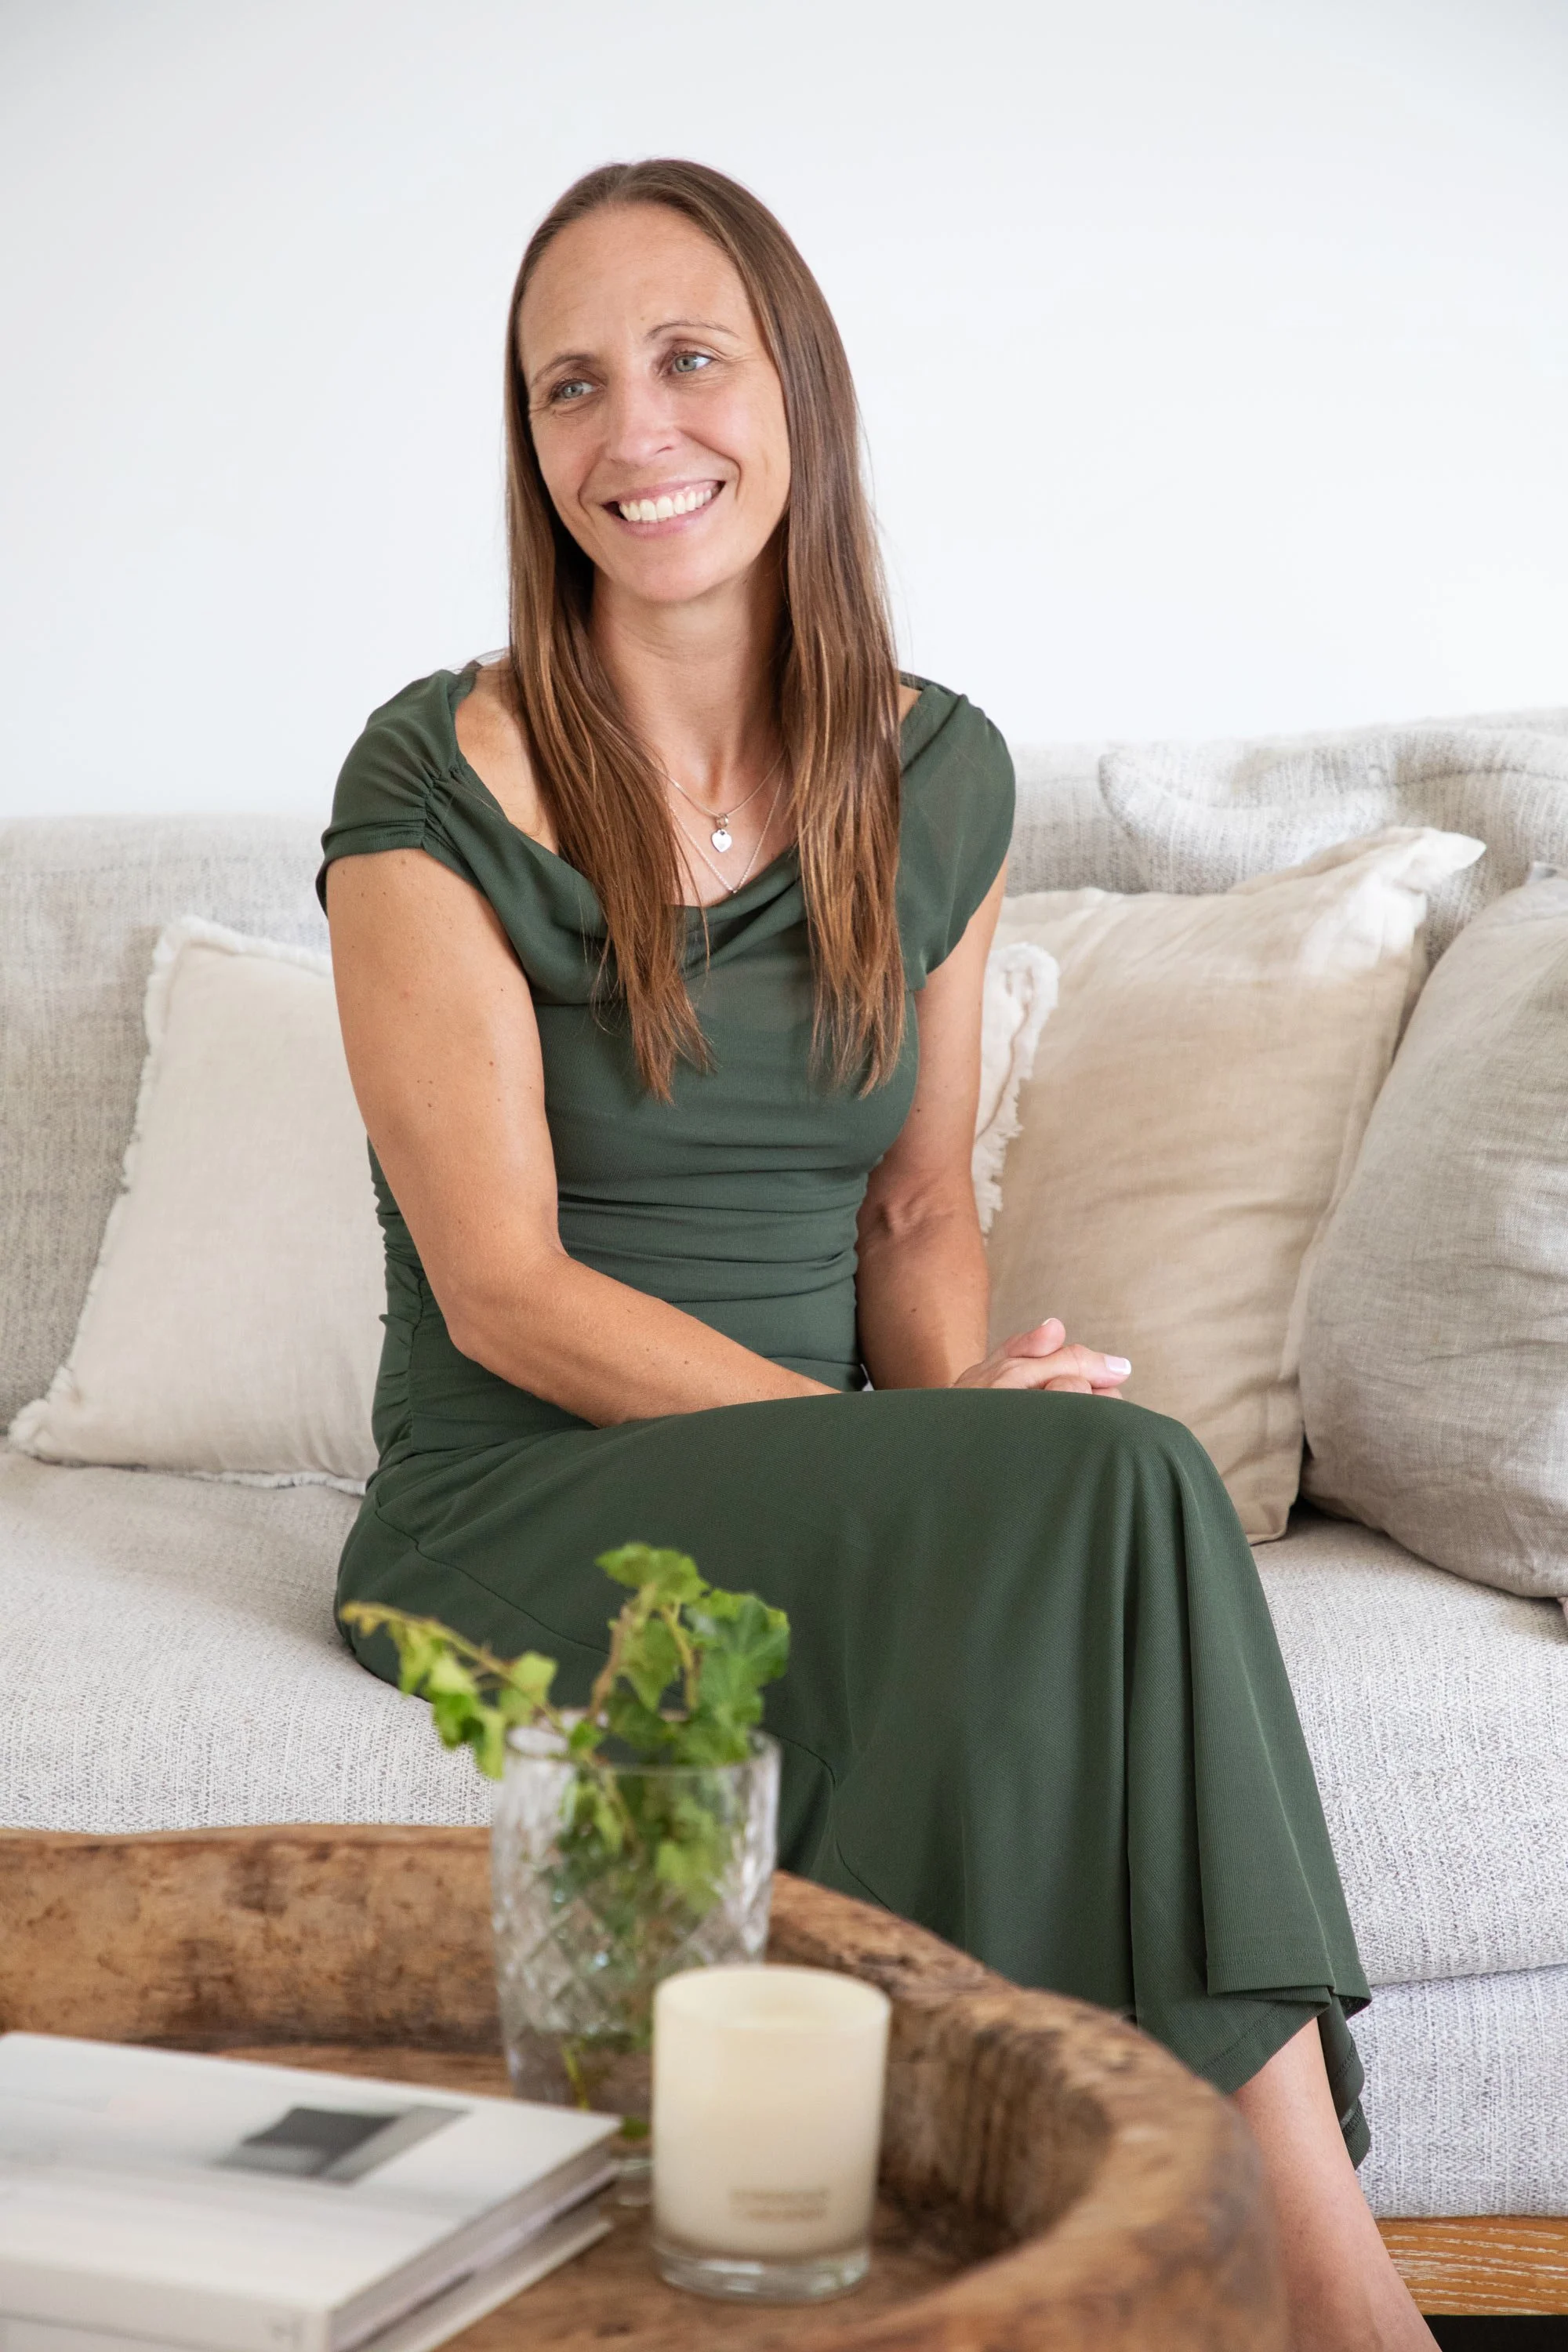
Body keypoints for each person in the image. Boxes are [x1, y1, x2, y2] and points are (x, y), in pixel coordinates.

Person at [319, 158, 1434, 2350]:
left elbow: (913, 1207)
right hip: (517, 1500)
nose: (633, 429)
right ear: (530, 445)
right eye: (569, 385)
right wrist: (919, 1464)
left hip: (816, 1480)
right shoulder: (434, 777)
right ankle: (1315, 2300)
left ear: (799, 396)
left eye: (688, 358)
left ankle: (1141, 2273)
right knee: (1105, 1483)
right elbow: (499, 1289)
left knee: (1093, 1495)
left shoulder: (938, 773)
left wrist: (950, 1459)